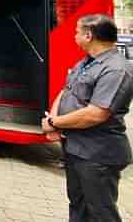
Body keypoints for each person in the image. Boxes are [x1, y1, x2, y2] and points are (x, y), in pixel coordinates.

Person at [41, 14, 133, 222]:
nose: (74, 35)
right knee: (78, 204)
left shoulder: (116, 69)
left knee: (100, 211)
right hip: (75, 148)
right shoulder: (86, 62)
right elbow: (67, 90)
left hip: (97, 154)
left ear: (89, 35)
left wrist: (54, 123)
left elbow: (96, 114)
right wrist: (53, 122)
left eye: (76, 31)